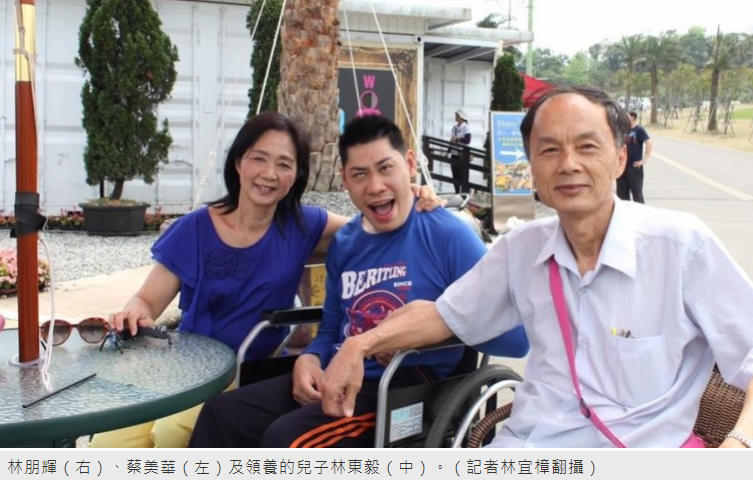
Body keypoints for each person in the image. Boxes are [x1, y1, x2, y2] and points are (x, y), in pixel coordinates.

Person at [319, 86, 753, 448]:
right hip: (525, 448)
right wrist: (359, 345)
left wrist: (738, 445)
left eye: (587, 147)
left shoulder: (680, 246)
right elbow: (444, 314)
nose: (568, 164)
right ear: (531, 167)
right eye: (549, 150)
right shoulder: (521, 248)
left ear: (621, 158)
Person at [89, 111, 442, 448]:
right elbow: (146, 301)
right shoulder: (193, 228)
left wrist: (411, 195)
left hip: (245, 369)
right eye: (259, 159)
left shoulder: (304, 226)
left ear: (296, 176)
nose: (269, 174)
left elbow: (373, 225)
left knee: (171, 432)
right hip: (183, 363)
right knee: (109, 442)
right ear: (238, 163)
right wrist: (134, 312)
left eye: (284, 164)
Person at [188, 114, 528, 448]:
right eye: (360, 174)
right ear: (344, 180)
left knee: (286, 440)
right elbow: (331, 330)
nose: (375, 186)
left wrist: (425, 331)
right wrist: (310, 358)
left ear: (410, 164)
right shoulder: (345, 243)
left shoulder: (446, 234)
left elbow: (516, 340)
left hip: (405, 386)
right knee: (222, 414)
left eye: (386, 168)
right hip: (337, 373)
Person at [616, 110, 652, 203]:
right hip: (622, 167)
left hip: (634, 168)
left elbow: (649, 143)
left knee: (637, 195)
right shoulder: (622, 130)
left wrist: (644, 160)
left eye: (627, 116)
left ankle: (640, 212)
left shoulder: (639, 130)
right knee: (622, 196)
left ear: (632, 117)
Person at [449, 109, 471, 194]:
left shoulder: (466, 127)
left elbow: (468, 140)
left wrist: (459, 138)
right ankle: (457, 192)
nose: (456, 117)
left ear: (461, 117)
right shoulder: (454, 127)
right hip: (454, 153)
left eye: (457, 115)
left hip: (462, 154)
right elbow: (451, 140)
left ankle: (464, 192)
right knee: (455, 174)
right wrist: (448, 151)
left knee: (462, 174)